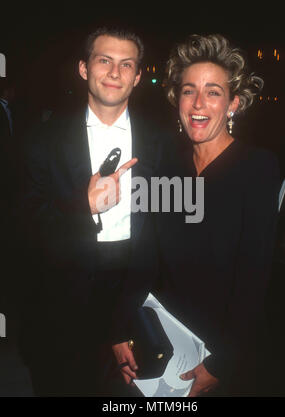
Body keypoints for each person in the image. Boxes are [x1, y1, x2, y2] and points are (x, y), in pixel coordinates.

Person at [19, 26, 166, 396]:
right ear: (84, 69)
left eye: (126, 64)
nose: (115, 73)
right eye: (105, 61)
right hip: (63, 296)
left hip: (134, 292)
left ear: (137, 76)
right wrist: (81, 207)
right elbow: (22, 227)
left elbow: (169, 226)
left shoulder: (164, 142)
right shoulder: (40, 139)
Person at [151, 34, 280, 396]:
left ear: (233, 104)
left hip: (227, 353)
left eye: (213, 91)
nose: (198, 102)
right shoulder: (166, 165)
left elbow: (254, 276)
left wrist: (223, 360)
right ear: (177, 100)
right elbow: (152, 260)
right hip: (171, 345)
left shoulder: (258, 167)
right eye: (189, 90)